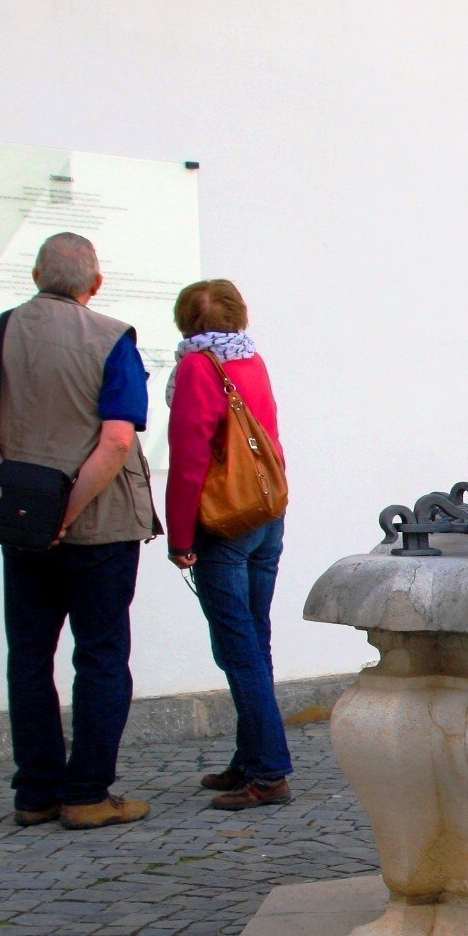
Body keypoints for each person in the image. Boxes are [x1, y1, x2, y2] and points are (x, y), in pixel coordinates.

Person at [0, 232, 158, 830]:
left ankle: (36, 792)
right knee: (100, 656)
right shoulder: (112, 338)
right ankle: (87, 792)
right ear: (94, 283)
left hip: (24, 534)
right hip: (100, 527)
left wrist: (22, 506)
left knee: (29, 657)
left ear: (35, 277)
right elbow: (118, 439)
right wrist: (65, 511)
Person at [164, 279, 294, 810]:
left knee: (237, 650)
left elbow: (190, 458)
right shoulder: (251, 361)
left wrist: (180, 536)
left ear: (184, 322)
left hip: (226, 524)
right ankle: (248, 758)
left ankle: (269, 771)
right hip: (266, 514)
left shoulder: (197, 367)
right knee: (252, 642)